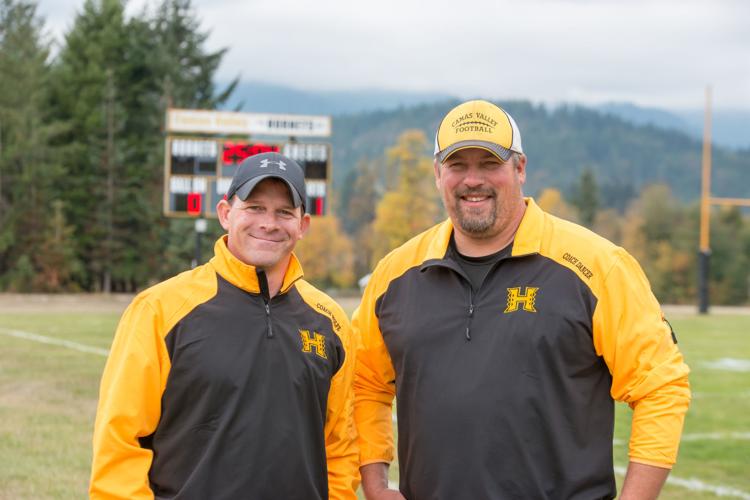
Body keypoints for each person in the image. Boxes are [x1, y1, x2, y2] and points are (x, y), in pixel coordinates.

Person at [353, 100, 691, 500]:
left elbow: (660, 386)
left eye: (490, 163)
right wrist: (375, 486)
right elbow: (365, 383)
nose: (472, 180)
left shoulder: (598, 266)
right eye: (458, 165)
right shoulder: (397, 274)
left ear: (520, 169)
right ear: (437, 173)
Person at [90, 152, 359, 499]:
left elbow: (340, 449)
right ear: (225, 214)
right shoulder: (160, 309)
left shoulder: (331, 321)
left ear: (302, 225)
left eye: (284, 212)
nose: (269, 223)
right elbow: (119, 441)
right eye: (255, 207)